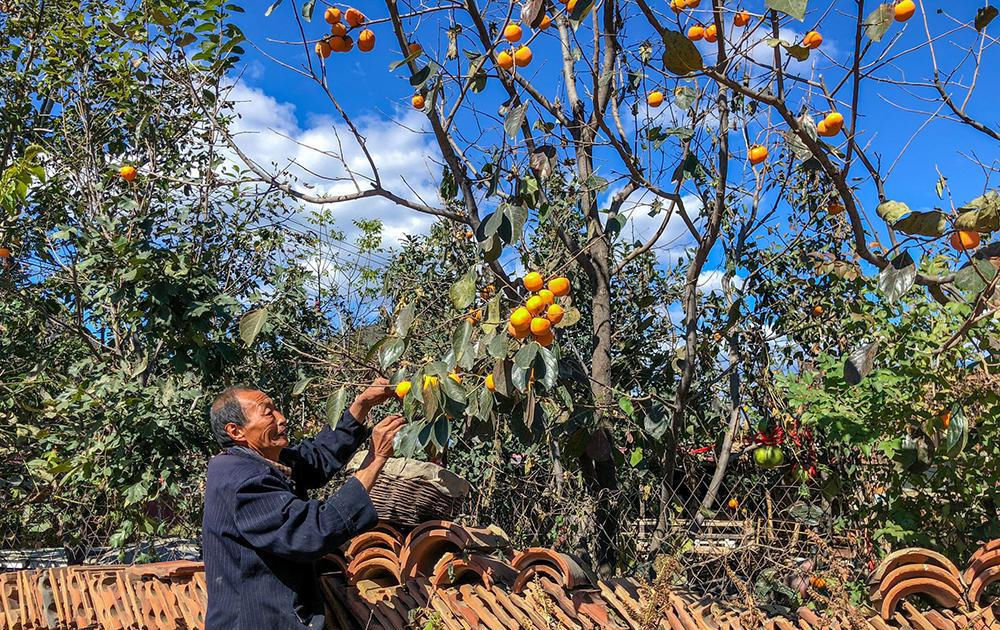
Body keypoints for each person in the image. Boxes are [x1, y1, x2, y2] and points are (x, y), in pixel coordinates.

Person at [202, 378, 404, 629]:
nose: (281, 417)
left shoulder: (258, 460)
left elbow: (315, 459)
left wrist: (361, 406)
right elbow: (311, 531)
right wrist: (375, 459)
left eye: (277, 409)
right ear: (236, 431)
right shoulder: (243, 480)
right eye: (268, 413)